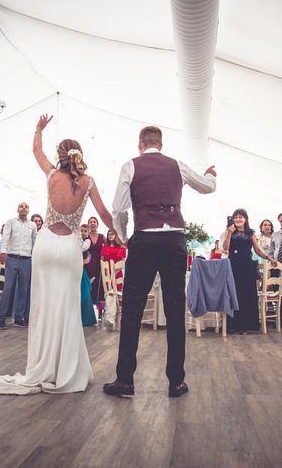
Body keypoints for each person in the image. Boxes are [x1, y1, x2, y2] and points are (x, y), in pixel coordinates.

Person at [0, 114, 115, 395]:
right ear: (80, 156)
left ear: (61, 155)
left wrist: (39, 129)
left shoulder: (52, 175)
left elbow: (36, 151)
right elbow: (104, 214)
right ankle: (66, 369)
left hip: (44, 246)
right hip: (70, 247)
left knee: (43, 306)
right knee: (66, 307)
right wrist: (123, 230)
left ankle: (42, 366)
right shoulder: (89, 182)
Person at [103, 125, 217, 399]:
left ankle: (125, 380)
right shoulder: (177, 165)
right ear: (161, 144)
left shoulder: (130, 165)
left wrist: (123, 236)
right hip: (174, 240)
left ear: (140, 143)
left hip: (144, 240)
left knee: (132, 308)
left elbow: (119, 208)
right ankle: (176, 382)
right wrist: (211, 175)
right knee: (176, 309)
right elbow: (207, 187)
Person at [222, 208, 273, 333]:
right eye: (235, 217)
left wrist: (268, 257)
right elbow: (225, 248)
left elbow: (257, 250)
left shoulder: (251, 234)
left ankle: (247, 325)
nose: (238, 219)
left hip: (247, 265)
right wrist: (228, 233)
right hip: (233, 265)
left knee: (247, 294)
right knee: (234, 293)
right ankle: (233, 325)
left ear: (245, 219)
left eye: (240, 217)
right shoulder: (229, 232)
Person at [0, 202, 38, 329]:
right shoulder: (11, 222)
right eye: (21, 206)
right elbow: (5, 237)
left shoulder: (32, 225)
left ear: (29, 210)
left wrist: (36, 257)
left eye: (26, 206)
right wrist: (3, 252)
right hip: (12, 258)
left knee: (23, 289)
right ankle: (2, 317)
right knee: (8, 287)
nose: (24, 208)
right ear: (17, 209)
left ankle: (19, 317)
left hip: (27, 259)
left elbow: (35, 241)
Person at [85, 216, 105, 318]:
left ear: (97, 225)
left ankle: (101, 311)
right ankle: (88, 311)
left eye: (94, 222)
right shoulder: (85, 236)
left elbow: (108, 247)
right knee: (89, 287)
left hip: (99, 263)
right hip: (87, 263)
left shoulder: (102, 237)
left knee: (99, 288)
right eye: (90, 222)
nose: (92, 223)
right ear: (88, 224)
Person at [80, 224, 97, 326]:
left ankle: (86, 319)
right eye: (81, 230)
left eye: (85, 231)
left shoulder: (87, 241)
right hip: (76, 267)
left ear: (88, 233)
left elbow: (83, 248)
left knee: (84, 292)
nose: (82, 233)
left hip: (82, 268)